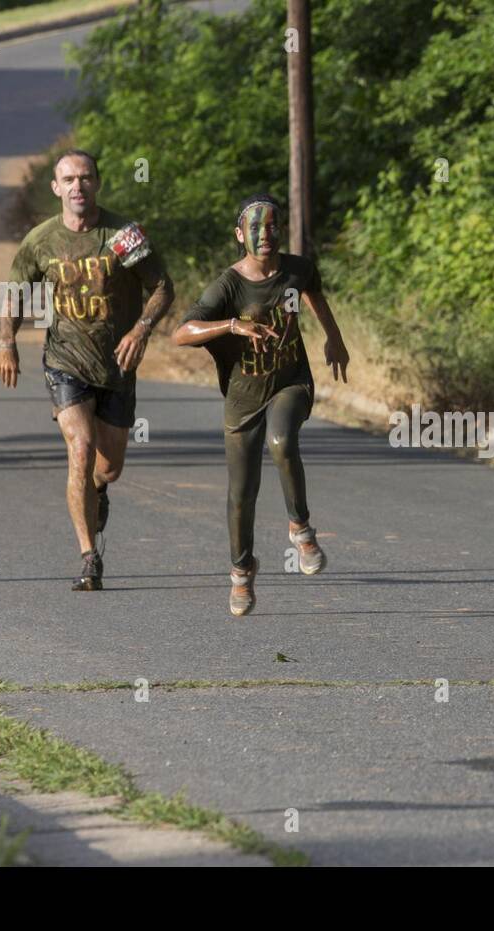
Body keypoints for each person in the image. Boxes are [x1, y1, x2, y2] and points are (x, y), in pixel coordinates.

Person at [0, 149, 174, 590]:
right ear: (56, 188)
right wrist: (7, 342)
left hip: (117, 363)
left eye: (85, 178)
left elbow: (162, 288)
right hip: (65, 361)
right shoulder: (40, 240)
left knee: (107, 467)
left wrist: (141, 329)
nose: (78, 186)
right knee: (80, 446)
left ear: (97, 183)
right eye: (69, 179)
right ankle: (88, 556)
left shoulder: (123, 235)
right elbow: (15, 293)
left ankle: (98, 491)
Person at [172, 194, 350, 617]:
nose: (265, 235)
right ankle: (242, 572)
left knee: (282, 439)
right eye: (255, 228)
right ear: (240, 235)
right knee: (241, 494)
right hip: (242, 396)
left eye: (272, 227)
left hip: (291, 381)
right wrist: (232, 324)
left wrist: (334, 336)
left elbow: (313, 294)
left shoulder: (297, 268)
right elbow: (182, 333)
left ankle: (301, 528)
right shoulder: (228, 285)